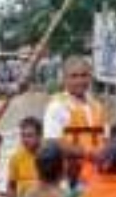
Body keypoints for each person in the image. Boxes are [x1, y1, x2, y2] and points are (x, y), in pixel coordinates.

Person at [43, 56, 107, 187]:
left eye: (84, 75)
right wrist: (88, 153)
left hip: (98, 176)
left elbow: (106, 138)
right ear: (65, 79)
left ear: (90, 77)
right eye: (74, 76)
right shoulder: (56, 106)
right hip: (70, 178)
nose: (80, 80)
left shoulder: (97, 105)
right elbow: (52, 142)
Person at [7, 117, 43, 197]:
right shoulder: (16, 158)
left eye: (29, 135)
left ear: (39, 136)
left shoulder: (48, 155)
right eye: (22, 135)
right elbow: (11, 187)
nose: (25, 139)